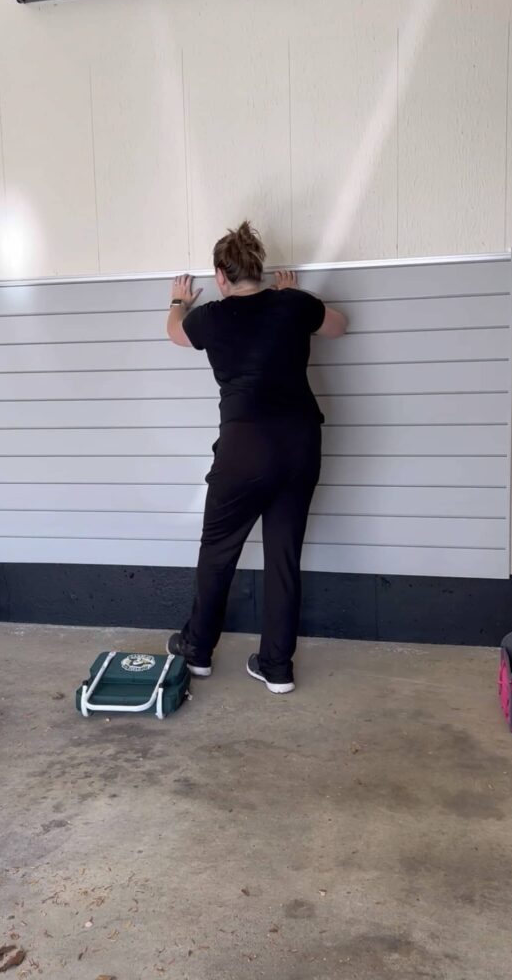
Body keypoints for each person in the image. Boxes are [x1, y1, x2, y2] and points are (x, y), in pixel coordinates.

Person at [165, 222, 347, 694]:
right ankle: (276, 668)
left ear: (221, 277)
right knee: (283, 556)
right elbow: (338, 325)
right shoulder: (292, 305)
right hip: (301, 444)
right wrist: (296, 297)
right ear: (260, 271)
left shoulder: (209, 318)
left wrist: (179, 302)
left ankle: (198, 650)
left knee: (218, 549)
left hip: (245, 449)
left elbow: (174, 334)